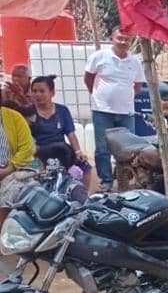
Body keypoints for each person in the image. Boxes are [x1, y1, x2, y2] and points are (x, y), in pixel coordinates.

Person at [86, 27, 148, 190]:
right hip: (102, 110)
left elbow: (138, 85)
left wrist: (124, 98)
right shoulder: (99, 57)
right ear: (111, 38)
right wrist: (100, 95)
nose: (123, 42)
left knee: (128, 149)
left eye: (126, 39)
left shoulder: (135, 61)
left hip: (126, 112)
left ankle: (125, 180)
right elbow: (88, 78)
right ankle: (106, 181)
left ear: (131, 41)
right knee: (102, 148)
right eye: (119, 38)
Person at [30, 74, 90, 172]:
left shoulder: (62, 110)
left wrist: (78, 152)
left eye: (42, 91)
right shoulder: (29, 112)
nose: (38, 95)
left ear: (52, 93)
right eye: (34, 91)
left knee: (85, 166)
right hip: (39, 151)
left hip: (62, 151)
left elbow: (71, 134)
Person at [0, 100, 38, 219]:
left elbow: (27, 148)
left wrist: (8, 169)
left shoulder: (14, 117)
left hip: (12, 170)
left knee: (14, 188)